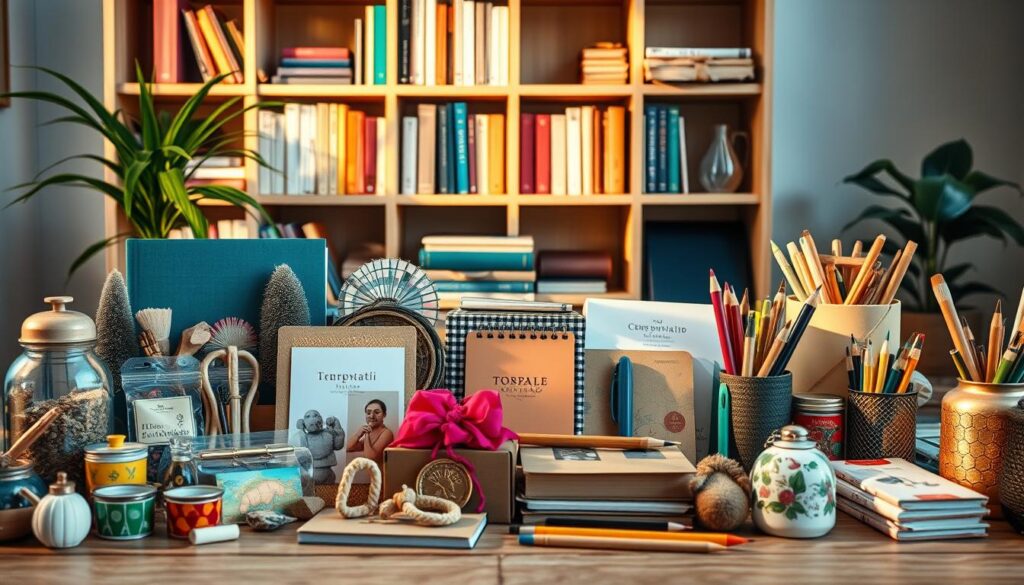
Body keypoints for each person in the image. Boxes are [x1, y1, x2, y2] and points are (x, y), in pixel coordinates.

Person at [347, 399, 394, 467]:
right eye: (368, 413)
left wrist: (367, 434)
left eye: (377, 412)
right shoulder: (370, 433)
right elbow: (348, 448)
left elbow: (370, 458)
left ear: (384, 415)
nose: (372, 416)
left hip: (384, 475)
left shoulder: (387, 433)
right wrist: (358, 434)